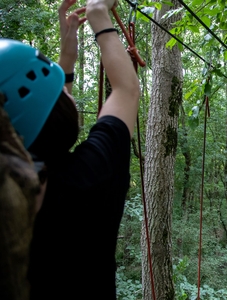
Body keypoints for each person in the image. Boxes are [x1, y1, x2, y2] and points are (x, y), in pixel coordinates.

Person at [0, 0, 140, 297]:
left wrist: (67, 56)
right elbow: (126, 88)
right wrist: (99, 13)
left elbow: (41, 121)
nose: (68, 95)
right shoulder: (89, 177)